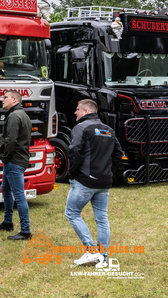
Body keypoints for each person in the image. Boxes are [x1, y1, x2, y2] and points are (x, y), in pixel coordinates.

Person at [65, 99, 122, 266]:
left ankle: (91, 251)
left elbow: (75, 151)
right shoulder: (108, 130)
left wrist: (73, 173)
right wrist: (106, 170)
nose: (75, 113)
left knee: (72, 213)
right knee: (102, 219)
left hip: (84, 181)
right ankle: (103, 257)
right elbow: (118, 154)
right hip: (104, 181)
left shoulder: (81, 127)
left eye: (77, 109)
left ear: (86, 111)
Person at [0, 90, 32, 240]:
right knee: (5, 189)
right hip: (15, 160)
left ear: (14, 100)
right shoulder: (22, 114)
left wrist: (5, 157)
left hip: (14, 161)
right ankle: (8, 222)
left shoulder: (15, 116)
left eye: (5, 97)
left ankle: (25, 231)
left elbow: (10, 140)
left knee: (19, 195)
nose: (2, 100)